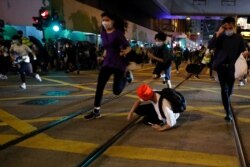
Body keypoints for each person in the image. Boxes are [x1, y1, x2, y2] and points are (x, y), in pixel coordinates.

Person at [84, 11, 132, 120]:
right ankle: (96, 111)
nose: (105, 22)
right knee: (99, 87)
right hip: (107, 63)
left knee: (116, 91)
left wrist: (125, 52)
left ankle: (127, 77)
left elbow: (128, 47)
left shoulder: (118, 33)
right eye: (103, 20)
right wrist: (102, 57)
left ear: (113, 21)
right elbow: (106, 48)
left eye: (107, 20)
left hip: (118, 64)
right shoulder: (103, 33)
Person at [208, 16, 248, 121]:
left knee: (229, 89)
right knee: (224, 89)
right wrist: (218, 33)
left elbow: (243, 51)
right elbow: (210, 45)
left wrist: (245, 54)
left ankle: (227, 100)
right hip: (221, 67)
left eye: (230, 28)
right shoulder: (220, 37)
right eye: (226, 28)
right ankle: (227, 112)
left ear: (233, 26)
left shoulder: (238, 38)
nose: (228, 30)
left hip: (232, 67)